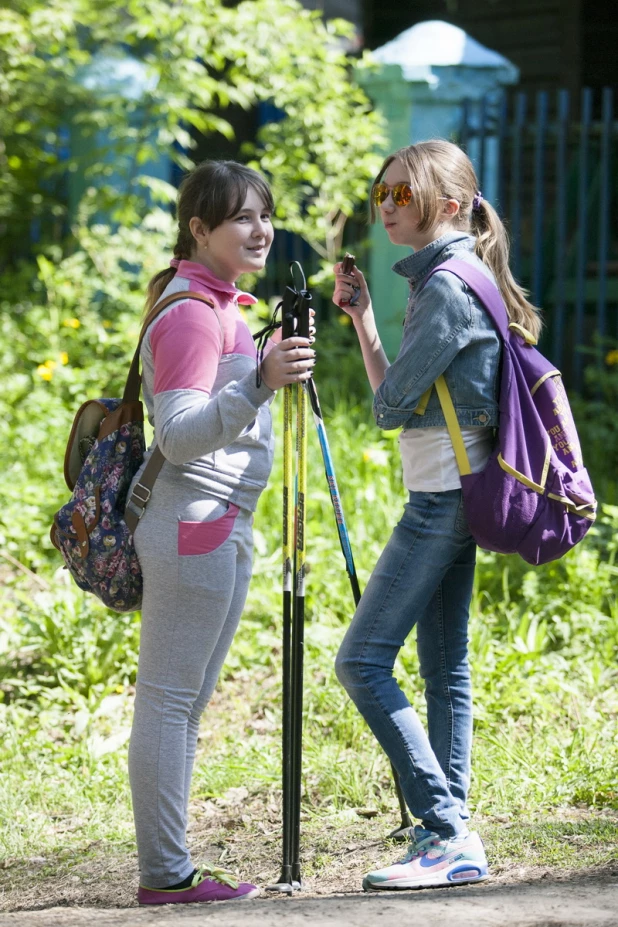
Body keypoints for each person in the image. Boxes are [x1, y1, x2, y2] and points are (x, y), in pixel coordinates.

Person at [332, 139, 541, 891]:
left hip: (444, 499)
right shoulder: (458, 275)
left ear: (448, 206)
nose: (386, 207)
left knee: (360, 661)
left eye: (402, 196)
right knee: (444, 666)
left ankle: (448, 831)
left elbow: (389, 407)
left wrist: (371, 337)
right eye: (381, 194)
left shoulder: (448, 286)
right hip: (462, 490)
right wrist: (363, 319)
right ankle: (444, 831)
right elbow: (407, 398)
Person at [127, 160, 315, 905]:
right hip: (193, 520)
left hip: (220, 519)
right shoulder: (191, 313)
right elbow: (176, 436)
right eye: (240, 217)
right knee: (170, 700)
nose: (260, 229)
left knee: (182, 703)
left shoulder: (223, 305)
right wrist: (259, 381)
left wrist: (267, 373)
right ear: (199, 229)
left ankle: (169, 866)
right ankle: (165, 874)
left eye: (264, 214)